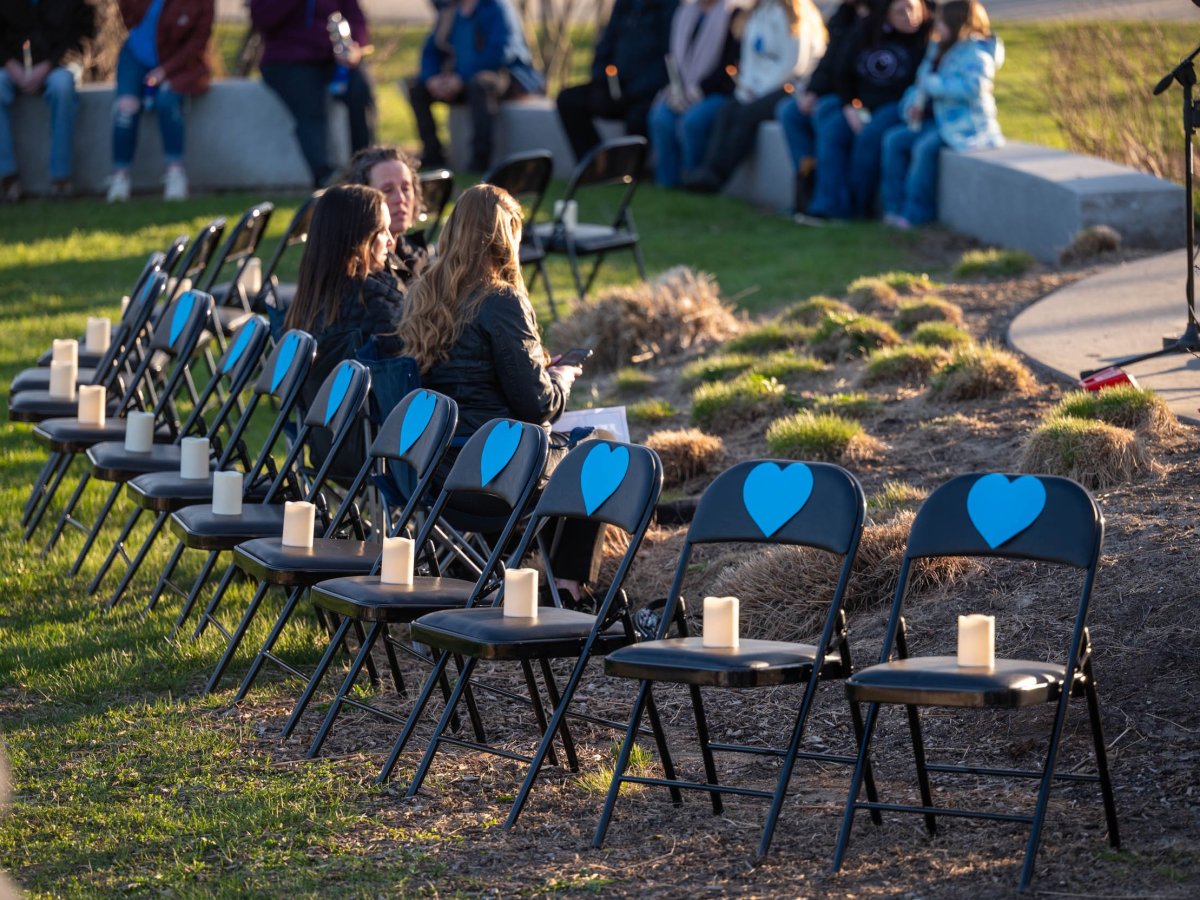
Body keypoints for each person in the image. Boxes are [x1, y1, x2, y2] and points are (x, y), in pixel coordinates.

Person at [396, 184, 607, 599]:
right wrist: (561, 377)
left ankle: (506, 574)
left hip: (433, 473)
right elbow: (538, 406)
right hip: (495, 475)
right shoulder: (501, 300)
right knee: (599, 453)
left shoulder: (422, 294)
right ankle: (567, 590)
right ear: (505, 236)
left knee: (561, 453)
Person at [284, 184, 403, 471]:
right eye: (382, 232)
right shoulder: (375, 306)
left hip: (324, 449)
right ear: (359, 240)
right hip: (383, 454)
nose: (391, 242)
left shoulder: (304, 308)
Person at [801, 0, 931, 222]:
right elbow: (842, 70)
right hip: (864, 105)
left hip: (900, 106)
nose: (909, 16)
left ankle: (854, 209)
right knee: (833, 131)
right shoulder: (866, 30)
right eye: (901, 11)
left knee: (869, 138)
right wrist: (850, 106)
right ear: (886, 14)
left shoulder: (926, 39)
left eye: (913, 9)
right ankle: (826, 206)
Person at [880, 0, 1003, 229]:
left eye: (942, 22)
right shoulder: (937, 49)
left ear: (958, 24)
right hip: (936, 120)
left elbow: (973, 88)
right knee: (894, 140)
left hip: (963, 125)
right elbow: (920, 83)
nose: (937, 26)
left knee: (924, 149)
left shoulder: (976, 53)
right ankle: (893, 208)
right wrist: (911, 105)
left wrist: (934, 85)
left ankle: (916, 212)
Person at [682, 0, 826, 193]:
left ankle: (717, 176)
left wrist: (761, 89)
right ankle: (707, 169)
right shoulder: (756, 12)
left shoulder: (797, 15)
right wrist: (747, 87)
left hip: (789, 89)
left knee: (747, 115)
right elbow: (750, 57)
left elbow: (794, 64)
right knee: (727, 110)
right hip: (755, 88)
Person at [250, 0, 376, 188]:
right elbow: (262, 19)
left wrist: (354, 46)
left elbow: (355, 15)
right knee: (310, 108)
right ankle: (325, 177)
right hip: (287, 61)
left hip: (332, 58)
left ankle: (365, 168)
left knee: (360, 89)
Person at [407, 0, 543, 172]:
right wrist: (432, 77)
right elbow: (432, 50)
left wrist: (461, 78)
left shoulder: (496, 8)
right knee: (417, 88)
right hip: (459, 78)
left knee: (480, 84)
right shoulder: (450, 11)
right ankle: (434, 155)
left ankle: (480, 160)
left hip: (503, 75)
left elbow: (502, 51)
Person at [106, 0, 215, 203]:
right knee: (126, 109)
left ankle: (175, 173)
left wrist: (166, 70)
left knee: (167, 101)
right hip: (136, 56)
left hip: (179, 63)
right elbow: (128, 14)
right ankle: (120, 176)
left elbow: (198, 42)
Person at [555, 0, 677, 164]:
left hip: (648, 92)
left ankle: (632, 170)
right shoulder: (625, 5)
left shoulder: (669, 7)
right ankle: (596, 166)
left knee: (638, 119)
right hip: (615, 87)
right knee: (569, 100)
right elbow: (605, 46)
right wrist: (600, 79)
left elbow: (669, 59)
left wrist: (635, 91)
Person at [775, 0, 866, 214]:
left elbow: (854, 72)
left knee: (828, 118)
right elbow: (829, 62)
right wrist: (812, 92)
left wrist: (847, 103)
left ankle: (830, 202)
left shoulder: (880, 17)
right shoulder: (844, 16)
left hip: (860, 99)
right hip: (836, 95)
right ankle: (806, 193)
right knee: (790, 112)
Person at [0, 0, 95, 201]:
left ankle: (61, 180)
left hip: (56, 66)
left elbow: (82, 37)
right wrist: (13, 68)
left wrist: (47, 66)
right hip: (11, 66)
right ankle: (7, 178)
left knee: (62, 88)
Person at [646, 0, 740, 189]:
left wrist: (698, 92)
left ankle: (693, 178)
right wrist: (675, 88)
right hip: (681, 88)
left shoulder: (733, 15)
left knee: (692, 121)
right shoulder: (684, 13)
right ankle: (667, 182)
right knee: (660, 117)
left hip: (717, 92)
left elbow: (729, 67)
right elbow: (670, 56)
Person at [341, 145, 430, 284]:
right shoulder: (357, 270)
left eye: (406, 188)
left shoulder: (417, 253)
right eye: (388, 190)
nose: (400, 199)